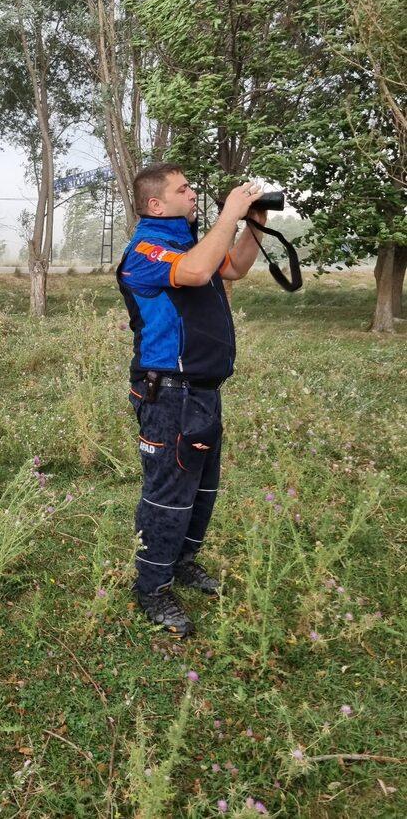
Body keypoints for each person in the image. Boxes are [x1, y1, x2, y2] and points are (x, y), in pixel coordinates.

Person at [117, 162, 267, 638]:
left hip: (203, 391)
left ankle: (182, 562)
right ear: (156, 204)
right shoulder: (145, 251)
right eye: (183, 190)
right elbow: (200, 272)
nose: (193, 193)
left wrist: (254, 223)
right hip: (168, 394)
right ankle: (151, 587)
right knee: (168, 497)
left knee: (201, 490)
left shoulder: (188, 243)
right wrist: (231, 213)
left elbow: (234, 267)